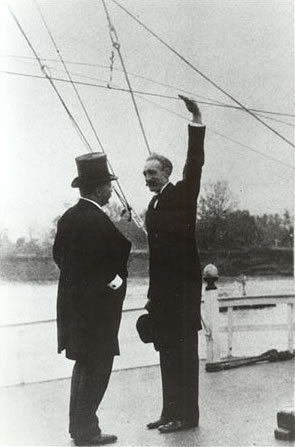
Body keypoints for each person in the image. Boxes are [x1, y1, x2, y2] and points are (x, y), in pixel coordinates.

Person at [53, 153, 131, 446]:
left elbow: (60, 257)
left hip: (74, 310)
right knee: (98, 368)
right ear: (99, 188)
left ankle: (80, 427)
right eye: (109, 185)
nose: (111, 190)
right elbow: (109, 257)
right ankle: (88, 431)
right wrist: (114, 282)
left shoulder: (70, 217)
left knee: (83, 366)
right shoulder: (96, 220)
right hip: (97, 312)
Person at [143, 95, 205, 433]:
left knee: (184, 355)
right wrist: (152, 294)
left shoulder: (183, 194)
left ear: (167, 173)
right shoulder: (152, 207)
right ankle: (169, 412)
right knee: (167, 351)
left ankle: (187, 416)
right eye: (144, 174)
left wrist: (196, 120)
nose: (148, 178)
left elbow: (194, 163)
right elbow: (155, 258)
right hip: (164, 294)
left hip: (183, 292)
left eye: (152, 172)